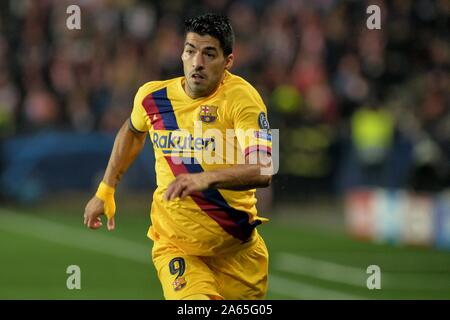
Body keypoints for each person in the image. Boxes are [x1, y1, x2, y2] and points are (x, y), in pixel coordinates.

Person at [83, 13, 274, 300]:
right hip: (177, 248)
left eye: (209, 54)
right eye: (190, 51)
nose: (197, 62)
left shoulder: (244, 99)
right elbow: (132, 131)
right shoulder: (152, 97)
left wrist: (206, 179)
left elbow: (264, 169)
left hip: (239, 254)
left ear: (228, 61)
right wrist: (106, 189)